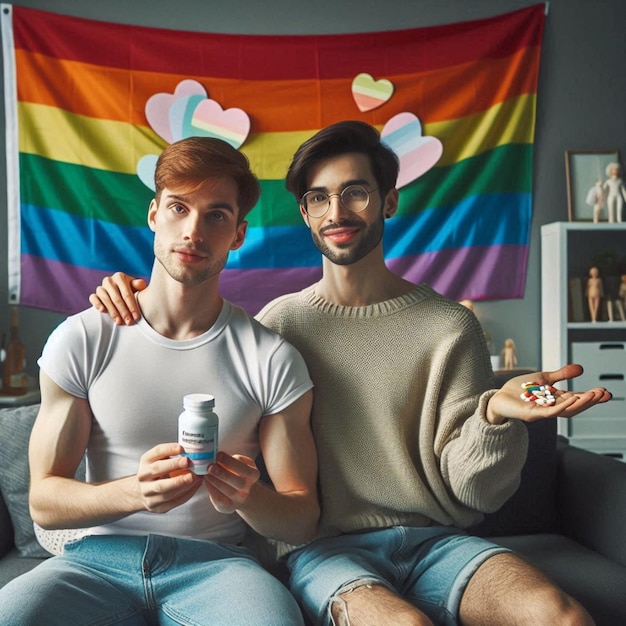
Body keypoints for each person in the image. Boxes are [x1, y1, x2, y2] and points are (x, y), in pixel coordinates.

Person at [90, 122, 611, 626]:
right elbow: (188, 334)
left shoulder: (450, 327)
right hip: (323, 552)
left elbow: (476, 493)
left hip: (439, 544)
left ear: (388, 201)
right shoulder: (277, 328)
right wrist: (132, 292)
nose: (336, 211)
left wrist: (496, 416)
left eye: (355, 192)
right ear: (305, 211)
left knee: (562, 617)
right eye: (319, 197)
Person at [0, 137, 320, 626]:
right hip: (95, 562)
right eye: (178, 207)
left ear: (238, 234)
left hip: (218, 567)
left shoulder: (271, 357)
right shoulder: (83, 338)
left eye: (216, 215)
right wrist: (134, 492)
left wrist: (248, 496)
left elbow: (301, 518)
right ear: (154, 214)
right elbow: (44, 501)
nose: (193, 231)